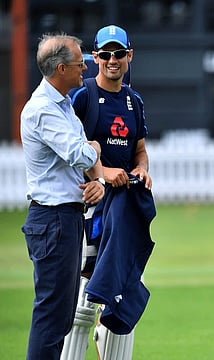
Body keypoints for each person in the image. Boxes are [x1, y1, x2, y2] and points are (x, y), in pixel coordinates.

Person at [61, 24, 154, 360]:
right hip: (89, 207)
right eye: (105, 54)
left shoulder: (134, 101)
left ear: (129, 55)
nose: (112, 60)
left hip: (126, 209)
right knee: (82, 302)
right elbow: (69, 147)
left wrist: (141, 169)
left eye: (119, 53)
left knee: (122, 292)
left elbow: (139, 150)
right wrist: (101, 174)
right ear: (95, 57)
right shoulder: (82, 96)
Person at [20, 33, 105, 360]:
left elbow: (85, 164)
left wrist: (96, 176)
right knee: (52, 316)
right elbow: (81, 154)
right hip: (53, 219)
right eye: (78, 62)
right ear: (59, 69)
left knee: (61, 314)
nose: (85, 66)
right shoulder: (44, 110)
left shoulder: (62, 105)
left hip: (63, 218)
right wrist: (94, 150)